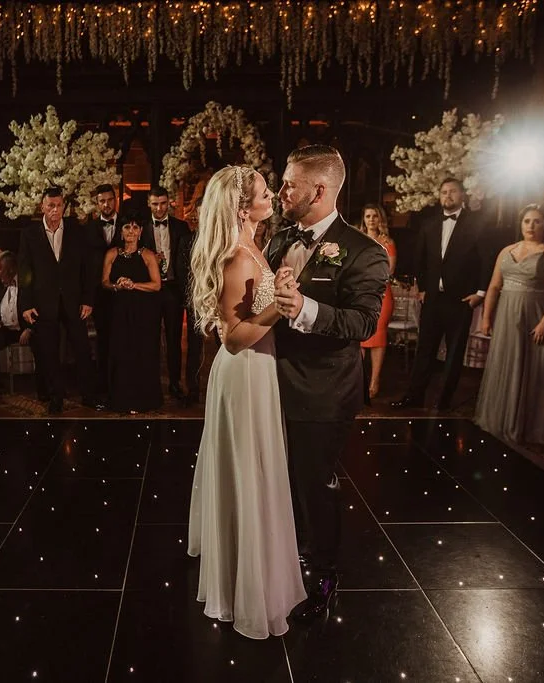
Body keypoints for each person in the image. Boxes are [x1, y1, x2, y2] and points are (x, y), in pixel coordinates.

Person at [268, 145, 390, 620]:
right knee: (280, 477)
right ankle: (285, 554)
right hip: (270, 383)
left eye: (289, 183)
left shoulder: (365, 251)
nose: (281, 191)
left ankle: (323, 572)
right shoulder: (279, 240)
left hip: (323, 391)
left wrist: (304, 309)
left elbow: (362, 323)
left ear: (318, 190)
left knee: (314, 482)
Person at [188, 165, 306, 639]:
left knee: (257, 466)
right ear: (242, 207)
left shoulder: (254, 245)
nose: (273, 195)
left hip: (261, 369)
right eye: (263, 192)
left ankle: (255, 560)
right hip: (244, 371)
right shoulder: (236, 257)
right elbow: (234, 339)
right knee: (249, 468)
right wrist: (281, 301)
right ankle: (247, 580)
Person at [475, 204, 544, 444]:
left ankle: (529, 427)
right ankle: (501, 420)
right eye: (527, 221)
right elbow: (494, 286)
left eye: (537, 221)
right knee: (505, 364)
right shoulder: (507, 250)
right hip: (507, 315)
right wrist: (487, 317)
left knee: (535, 369)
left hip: (536, 314)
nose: (531, 225)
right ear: (521, 223)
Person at [392, 177, 489, 411]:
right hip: (433, 298)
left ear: (462, 195)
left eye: (453, 191)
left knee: (454, 354)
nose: (448, 196)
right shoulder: (429, 224)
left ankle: (443, 401)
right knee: (424, 349)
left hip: (461, 299)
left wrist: (480, 292)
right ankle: (414, 396)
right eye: (444, 192)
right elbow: (420, 259)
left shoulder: (476, 224)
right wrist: (423, 288)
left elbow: (486, 259)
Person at [17, 187, 103, 414]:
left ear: (64, 206)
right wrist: (25, 304)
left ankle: (89, 395)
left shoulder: (77, 230)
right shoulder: (29, 234)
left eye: (59, 205)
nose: (55, 210)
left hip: (74, 300)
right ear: (42, 207)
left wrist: (87, 299)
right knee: (49, 352)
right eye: (50, 206)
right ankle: (56, 397)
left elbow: (88, 268)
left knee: (82, 349)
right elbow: (24, 271)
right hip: (44, 302)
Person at [101, 217, 162, 413]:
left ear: (141, 231)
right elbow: (104, 282)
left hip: (143, 313)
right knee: (121, 352)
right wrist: (117, 286)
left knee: (142, 352)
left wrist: (134, 285)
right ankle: (120, 398)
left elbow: (156, 285)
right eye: (127, 227)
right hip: (118, 310)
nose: (131, 231)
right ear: (121, 231)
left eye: (135, 227)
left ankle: (143, 399)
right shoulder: (112, 254)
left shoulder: (148, 255)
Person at [143, 186, 190, 402]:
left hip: (173, 288)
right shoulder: (141, 228)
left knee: (173, 339)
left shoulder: (181, 227)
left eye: (162, 203)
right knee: (150, 338)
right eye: (155, 204)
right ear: (149, 204)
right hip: (149, 290)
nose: (159, 208)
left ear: (168, 202)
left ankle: (174, 383)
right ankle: (151, 384)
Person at [0, 251, 42, 396]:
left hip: (27, 329)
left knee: (41, 341)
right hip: (7, 330)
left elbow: (41, 308)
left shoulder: (28, 283)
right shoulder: (1, 286)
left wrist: (30, 329)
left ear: (11, 269)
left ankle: (43, 385)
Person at [85, 183, 121, 397]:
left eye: (109, 200)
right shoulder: (88, 229)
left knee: (124, 337)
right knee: (103, 338)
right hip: (100, 293)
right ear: (97, 203)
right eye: (102, 201)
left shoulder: (128, 224)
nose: (106, 204)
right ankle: (104, 384)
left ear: (115, 200)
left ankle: (122, 382)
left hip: (125, 291)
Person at [358, 204, 397, 399]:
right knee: (359, 336)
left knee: (378, 337)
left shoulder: (387, 241)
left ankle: (375, 380)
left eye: (374, 216)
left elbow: (388, 271)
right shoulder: (357, 239)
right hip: (359, 295)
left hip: (381, 295)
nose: (371, 219)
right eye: (367, 216)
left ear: (379, 219)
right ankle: (358, 380)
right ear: (363, 219)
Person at [175, 209, 204, 405]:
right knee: (194, 347)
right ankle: (192, 390)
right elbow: (181, 272)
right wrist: (193, 298)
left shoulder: (227, 239)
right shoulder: (187, 240)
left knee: (224, 345)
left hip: (223, 300)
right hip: (196, 300)